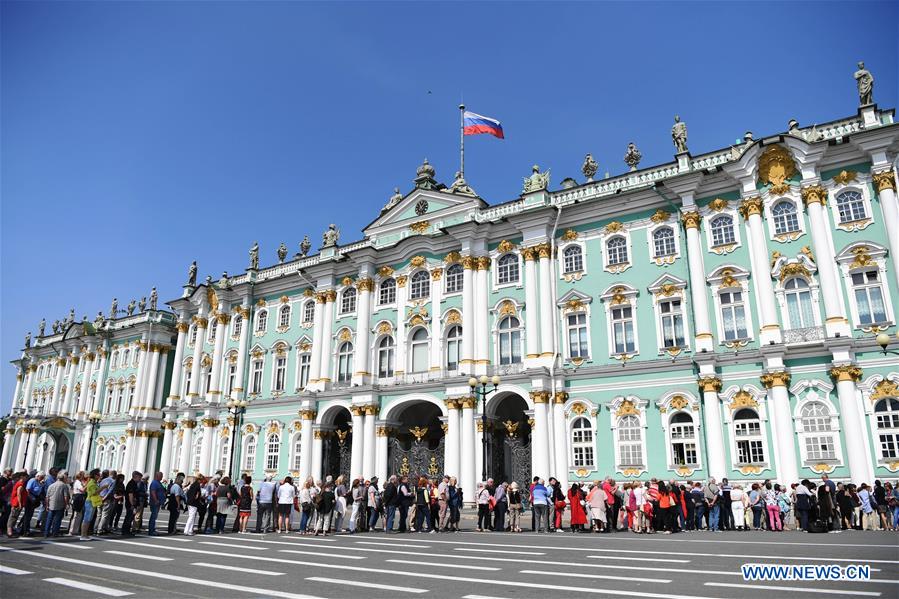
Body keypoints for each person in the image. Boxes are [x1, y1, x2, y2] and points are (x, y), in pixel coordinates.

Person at [43, 470, 70, 537]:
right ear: (63, 478)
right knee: (57, 520)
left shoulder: (51, 485)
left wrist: (47, 505)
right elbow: (65, 496)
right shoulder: (64, 486)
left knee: (49, 519)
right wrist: (67, 504)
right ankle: (55, 533)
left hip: (51, 504)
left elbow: (47, 497)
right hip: (60, 504)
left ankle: (46, 533)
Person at [80, 469, 103, 541]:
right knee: (86, 519)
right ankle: (83, 535)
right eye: (98, 475)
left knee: (89, 519)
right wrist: (103, 487)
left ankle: (85, 534)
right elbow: (94, 493)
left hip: (92, 502)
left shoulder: (94, 482)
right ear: (95, 475)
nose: (99, 476)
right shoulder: (92, 483)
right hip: (90, 502)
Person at [120, 471, 142, 536]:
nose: (140, 479)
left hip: (132, 503)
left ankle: (126, 531)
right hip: (130, 504)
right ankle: (125, 531)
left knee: (130, 517)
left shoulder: (134, 483)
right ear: (136, 477)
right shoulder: (132, 484)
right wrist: (132, 504)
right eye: (139, 478)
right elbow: (130, 495)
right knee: (129, 517)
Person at [68, 471, 87, 536]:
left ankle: (75, 530)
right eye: (83, 475)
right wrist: (87, 485)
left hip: (78, 497)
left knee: (78, 515)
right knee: (76, 515)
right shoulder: (78, 482)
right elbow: (82, 490)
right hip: (78, 497)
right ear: (81, 476)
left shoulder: (78, 482)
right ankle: (72, 530)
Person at [147, 472, 166, 536]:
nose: (162, 477)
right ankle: (151, 531)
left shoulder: (158, 483)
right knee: (153, 516)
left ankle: (152, 529)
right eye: (161, 476)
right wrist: (156, 500)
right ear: (157, 476)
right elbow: (153, 492)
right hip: (155, 502)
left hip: (157, 503)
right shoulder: (154, 483)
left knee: (154, 516)